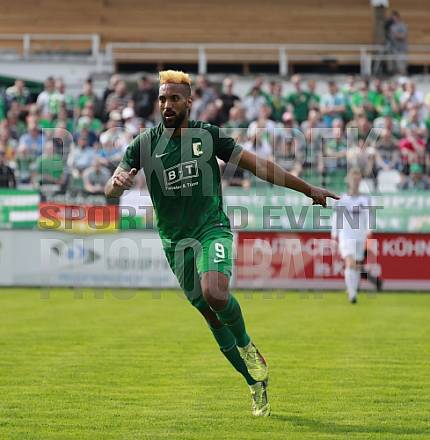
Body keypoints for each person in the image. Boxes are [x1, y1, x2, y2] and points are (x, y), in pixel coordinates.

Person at [105, 70, 338, 417]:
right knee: (209, 314)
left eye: (174, 98)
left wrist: (308, 189)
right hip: (175, 242)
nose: (167, 105)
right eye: (162, 98)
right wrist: (117, 183)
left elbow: (259, 166)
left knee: (215, 292)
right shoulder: (143, 144)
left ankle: (246, 345)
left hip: (211, 229)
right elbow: (110, 190)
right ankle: (254, 383)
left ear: (188, 102)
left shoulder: (208, 136)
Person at [331, 168, 379, 304]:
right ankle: (352, 294)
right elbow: (336, 217)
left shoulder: (366, 199)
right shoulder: (341, 199)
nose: (356, 182)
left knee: (357, 265)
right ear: (349, 181)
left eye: (358, 179)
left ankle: (354, 290)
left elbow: (370, 216)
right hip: (346, 236)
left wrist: (369, 232)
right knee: (350, 262)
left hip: (360, 236)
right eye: (353, 179)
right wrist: (334, 235)